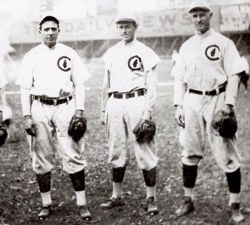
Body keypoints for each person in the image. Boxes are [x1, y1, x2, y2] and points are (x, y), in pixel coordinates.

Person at [171, 0, 245, 223]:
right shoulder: (186, 46)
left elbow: (234, 74)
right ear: (190, 18)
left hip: (217, 98)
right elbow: (179, 79)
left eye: (202, 14)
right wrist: (178, 105)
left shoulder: (224, 43)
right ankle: (188, 199)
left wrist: (228, 105)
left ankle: (235, 204)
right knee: (190, 150)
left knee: (227, 153)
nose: (198, 18)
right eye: (194, 15)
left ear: (210, 15)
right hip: (192, 99)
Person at [16, 15, 91, 220]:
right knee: (41, 156)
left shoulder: (69, 52)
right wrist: (27, 116)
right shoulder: (31, 55)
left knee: (73, 153)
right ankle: (46, 203)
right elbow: (24, 89)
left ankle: (82, 203)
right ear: (39, 31)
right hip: (40, 106)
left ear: (59, 31)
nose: (50, 32)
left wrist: (79, 110)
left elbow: (79, 84)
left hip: (65, 105)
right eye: (46, 29)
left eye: (53, 29)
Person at [100, 12, 161, 214]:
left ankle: (151, 197)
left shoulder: (145, 51)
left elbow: (152, 86)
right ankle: (116, 196)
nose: (124, 30)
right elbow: (105, 84)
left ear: (135, 27)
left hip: (137, 100)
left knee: (145, 150)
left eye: (128, 26)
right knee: (116, 149)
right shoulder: (111, 52)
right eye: (121, 26)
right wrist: (103, 110)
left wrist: (147, 112)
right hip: (114, 102)